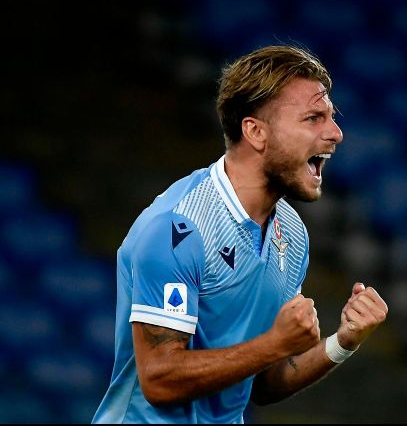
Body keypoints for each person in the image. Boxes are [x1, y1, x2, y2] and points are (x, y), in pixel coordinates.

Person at [92, 45, 388, 423]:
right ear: (256, 132)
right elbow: (159, 379)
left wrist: (342, 341)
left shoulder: (291, 233)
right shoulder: (178, 228)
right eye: (314, 118)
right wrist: (272, 344)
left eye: (331, 118)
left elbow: (262, 382)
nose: (336, 133)